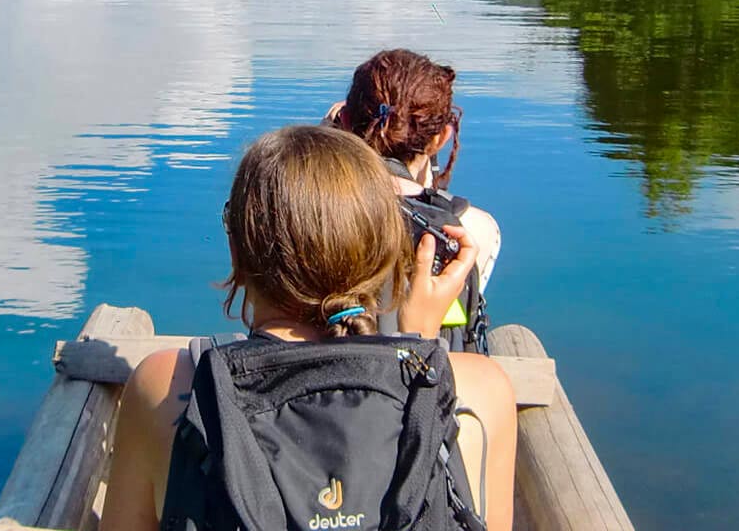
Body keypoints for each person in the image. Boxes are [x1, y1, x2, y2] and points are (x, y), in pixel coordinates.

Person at [102, 126, 516, 531]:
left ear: (238, 250)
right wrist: (419, 345)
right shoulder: (482, 389)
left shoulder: (166, 387)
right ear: (387, 252)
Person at [329, 50, 502, 349]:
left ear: (344, 122)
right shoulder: (473, 228)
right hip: (426, 371)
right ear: (440, 138)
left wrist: (325, 142)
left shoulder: (300, 208)